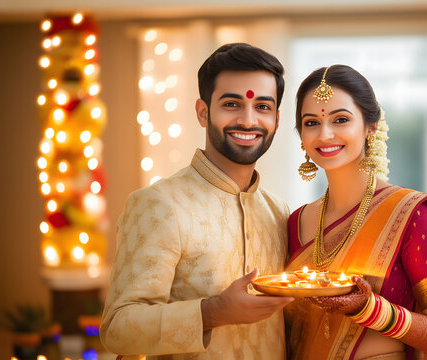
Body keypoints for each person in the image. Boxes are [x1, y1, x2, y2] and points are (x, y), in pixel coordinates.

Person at [100, 43, 294, 359]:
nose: (248, 120)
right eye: (232, 104)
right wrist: (213, 312)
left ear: (275, 118)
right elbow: (117, 329)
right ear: (203, 113)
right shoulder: (160, 204)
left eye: (262, 106)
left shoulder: (278, 213)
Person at [284, 65, 427, 360]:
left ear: (371, 126)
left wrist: (371, 310)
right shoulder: (296, 222)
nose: (325, 134)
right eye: (311, 122)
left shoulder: (413, 216)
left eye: (340, 119)